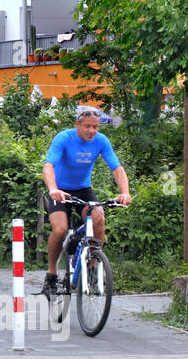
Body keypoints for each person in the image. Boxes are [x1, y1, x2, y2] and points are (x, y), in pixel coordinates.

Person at [41, 105, 132, 294]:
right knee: (60, 229)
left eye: (96, 127)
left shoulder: (101, 141)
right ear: (77, 124)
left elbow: (117, 168)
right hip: (61, 190)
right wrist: (53, 189)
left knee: (98, 218)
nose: (92, 131)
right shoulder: (64, 138)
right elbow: (49, 166)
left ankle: (91, 266)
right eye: (88, 126)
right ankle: (51, 273)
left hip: (83, 189)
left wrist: (124, 192)